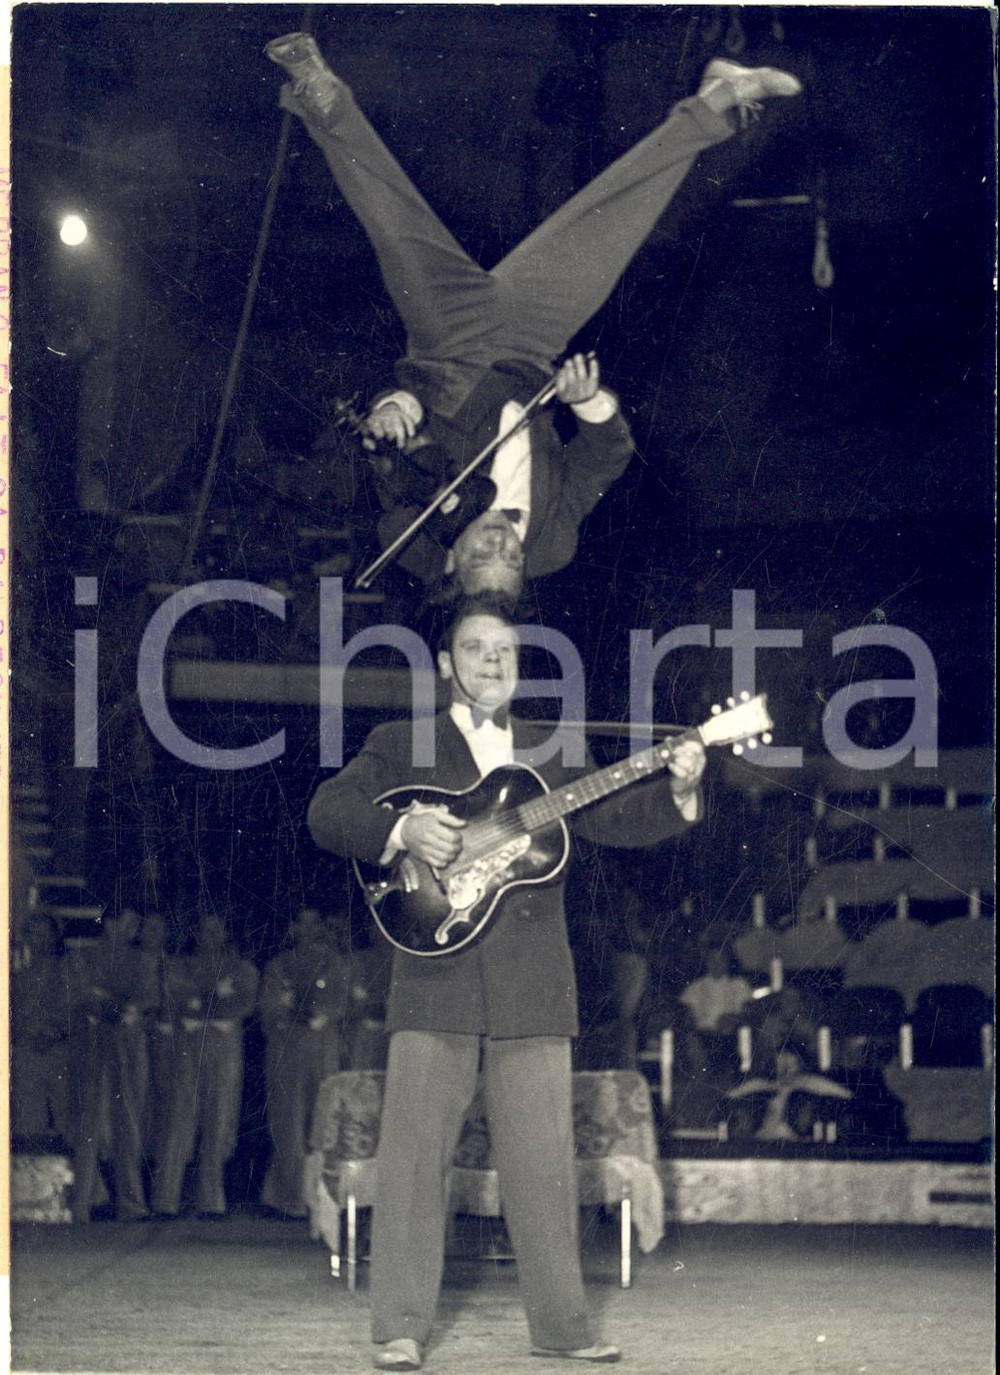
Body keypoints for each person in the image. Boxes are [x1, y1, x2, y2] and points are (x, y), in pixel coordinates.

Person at [307, 597, 707, 1370]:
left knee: (544, 1164)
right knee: (416, 1158)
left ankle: (564, 1327)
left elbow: (618, 816)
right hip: (434, 972)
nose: (493, 661)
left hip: (532, 981)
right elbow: (329, 810)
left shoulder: (551, 746)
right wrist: (400, 832)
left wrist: (681, 786)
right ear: (446, 664)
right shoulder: (400, 742)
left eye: (506, 651)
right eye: (476, 649)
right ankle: (399, 1326)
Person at [265, 33, 802, 598]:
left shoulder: (416, 538)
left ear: (453, 565)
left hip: (450, 342)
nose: (499, 545)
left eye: (480, 555)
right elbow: (604, 460)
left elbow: (395, 458)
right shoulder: (552, 542)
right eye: (510, 559)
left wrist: (393, 410)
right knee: (611, 226)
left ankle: (322, 96)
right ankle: (717, 100)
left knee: (396, 228)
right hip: (530, 345)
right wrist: (587, 404)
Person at [151, 912, 258, 1218]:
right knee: (179, 1121)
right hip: (187, 1050)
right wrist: (215, 999)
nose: (210, 935)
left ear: (225, 932)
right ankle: (166, 1200)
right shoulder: (180, 966)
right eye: (204, 928)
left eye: (217, 928)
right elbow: (177, 998)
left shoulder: (240, 967)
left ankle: (211, 1201)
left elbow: (243, 1003)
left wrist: (201, 1004)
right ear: (195, 932)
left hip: (224, 1052)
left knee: (219, 1121)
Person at [67, 904, 159, 1222]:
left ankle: (131, 1205)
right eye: (129, 923)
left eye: (137, 924)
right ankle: (81, 1204)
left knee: (129, 1125)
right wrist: (119, 1007)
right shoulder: (85, 957)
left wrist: (107, 1001)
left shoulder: (143, 960)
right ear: (109, 923)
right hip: (93, 1049)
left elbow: (146, 999)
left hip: (129, 1048)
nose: (134, 930)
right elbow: (83, 998)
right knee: (88, 1127)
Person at [258, 906, 351, 1218]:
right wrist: (304, 1011)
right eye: (302, 923)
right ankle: (291, 1199)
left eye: (315, 923)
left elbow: (338, 1003)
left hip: (322, 1049)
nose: (308, 930)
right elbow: (271, 1010)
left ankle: (322, 1200)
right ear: (293, 928)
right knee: (288, 1123)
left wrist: (303, 1008)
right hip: (288, 1050)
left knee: (324, 1122)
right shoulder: (279, 964)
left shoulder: (332, 962)